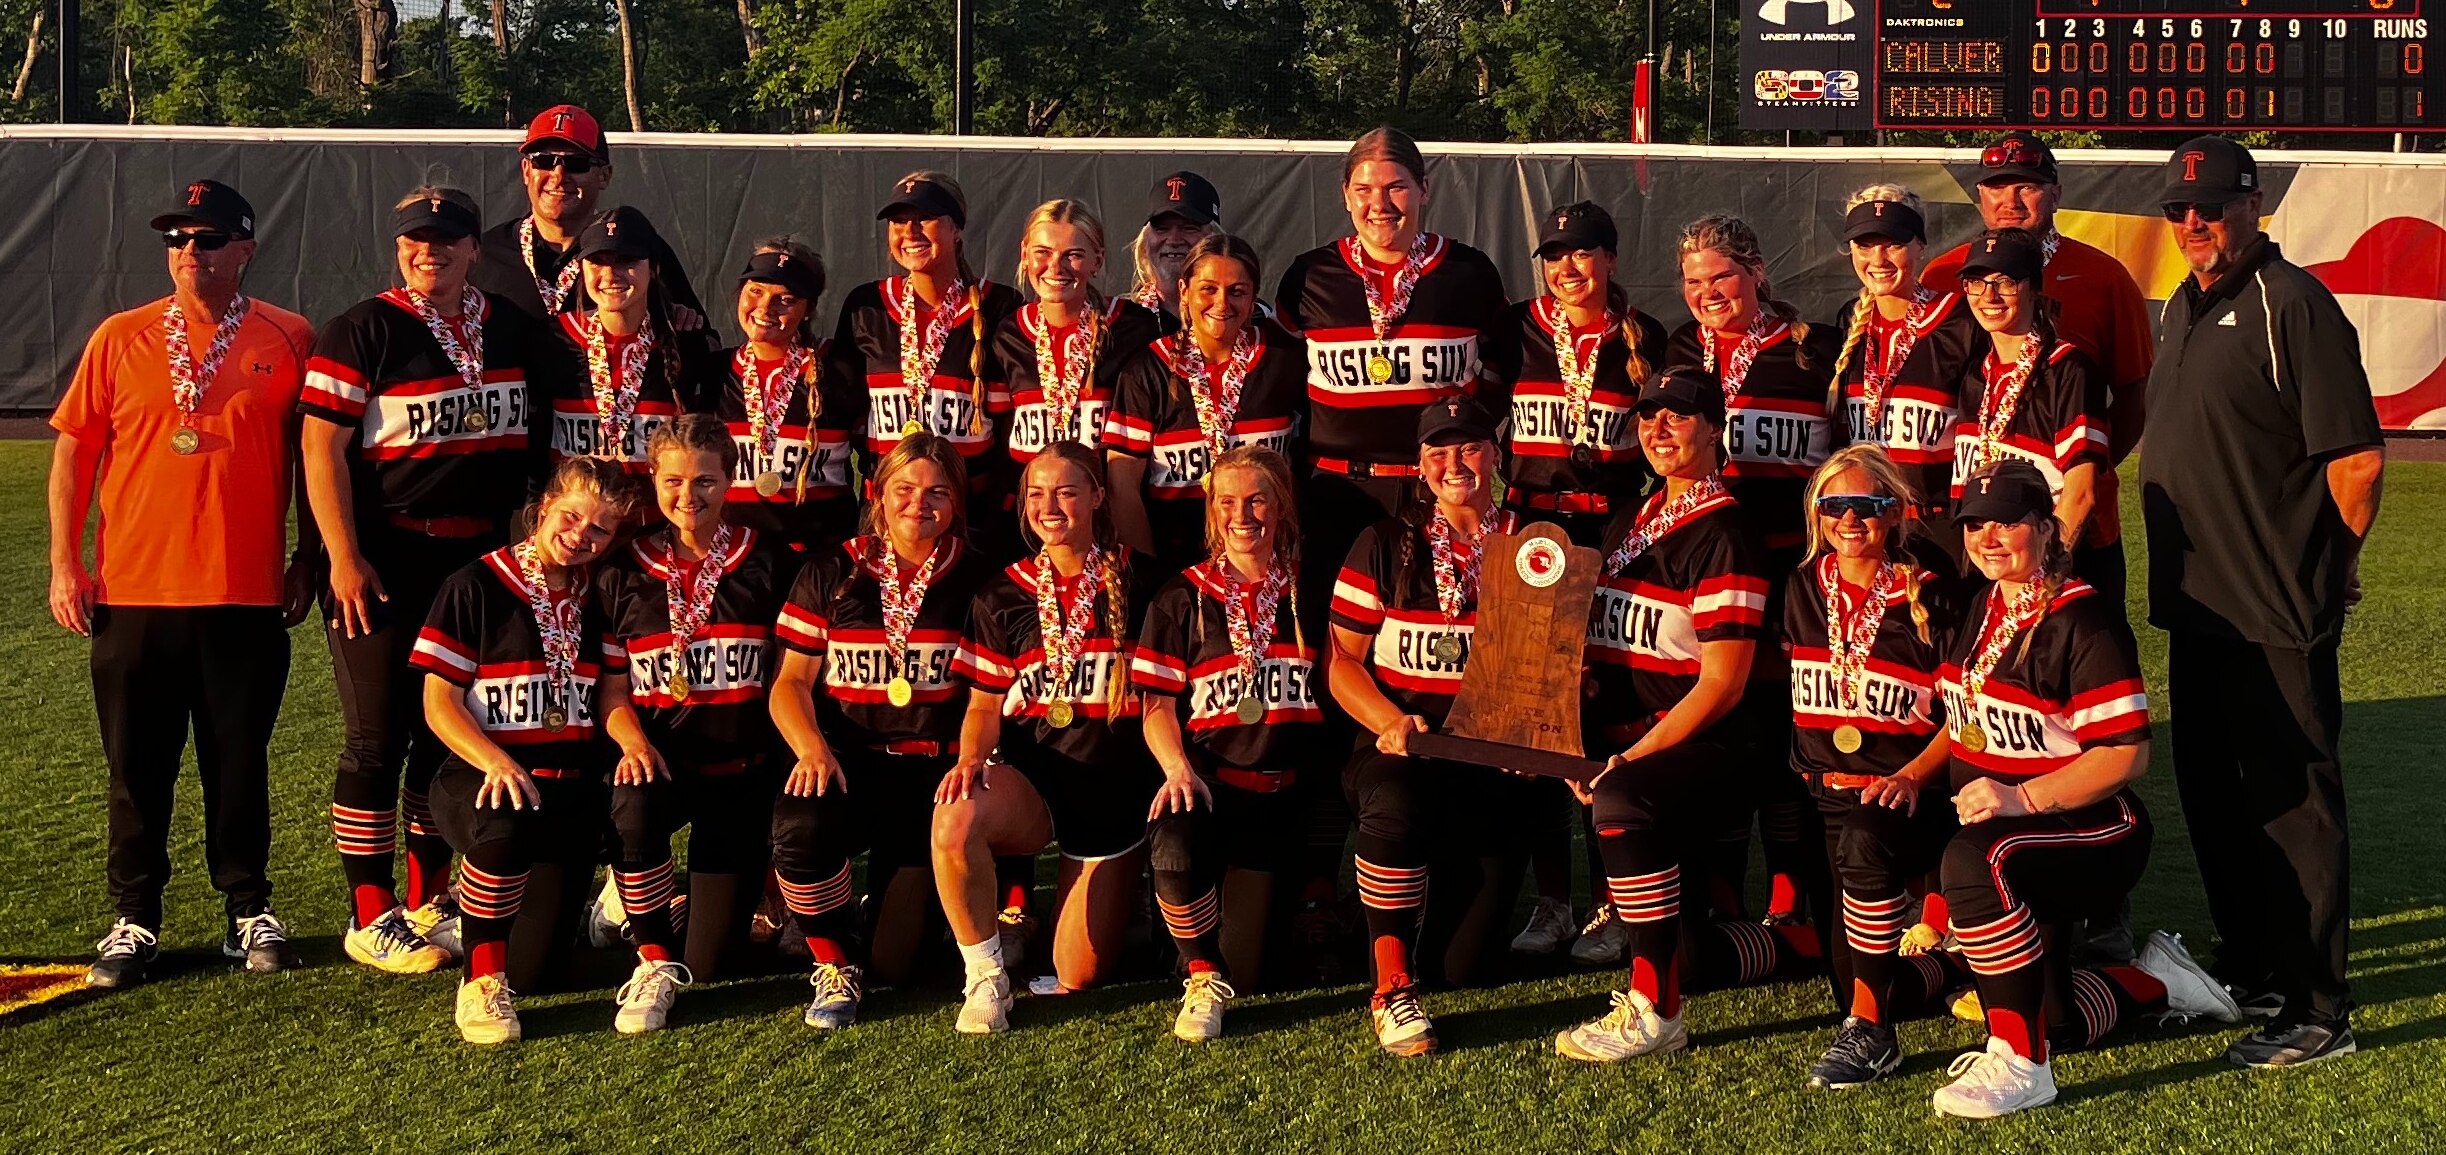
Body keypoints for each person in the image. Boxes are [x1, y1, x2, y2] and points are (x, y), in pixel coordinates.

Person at [2143, 136, 2385, 1068]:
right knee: (2212, 795)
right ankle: (2256, 967)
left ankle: (2323, 1007)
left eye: (2210, 205)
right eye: (2178, 209)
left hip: (2274, 609)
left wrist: (2331, 561)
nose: (2193, 222)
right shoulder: (2180, 305)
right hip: (2197, 605)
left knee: (2295, 808)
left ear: (2253, 205)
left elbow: (2357, 458)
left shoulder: (2295, 304)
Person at [49, 178, 316, 987]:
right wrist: (67, 561)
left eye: (205, 239)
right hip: (133, 592)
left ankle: (246, 907)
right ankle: (135, 916)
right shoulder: (120, 337)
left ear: (246, 248)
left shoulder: (291, 335)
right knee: (137, 765)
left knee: (240, 761)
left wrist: (309, 557)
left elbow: (316, 458)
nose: (189, 252)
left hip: (243, 593)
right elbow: (73, 453)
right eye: (177, 240)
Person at [1926, 459, 2237, 1117]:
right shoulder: (1982, 604)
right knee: (2059, 1018)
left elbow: (2126, 755)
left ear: (2046, 527)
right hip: (2019, 826)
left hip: (2092, 823)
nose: (1988, 536)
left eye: (2008, 520)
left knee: (1978, 859)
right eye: (1975, 522)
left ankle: (2021, 1064)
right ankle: (2154, 978)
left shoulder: (2080, 618)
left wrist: (2021, 800)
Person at [301, 186, 549, 977]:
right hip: (385, 557)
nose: (428, 253)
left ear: (477, 248)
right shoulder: (363, 329)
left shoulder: (509, 326)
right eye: (414, 240)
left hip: (476, 559)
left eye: (446, 240)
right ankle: (368, 911)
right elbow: (320, 452)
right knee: (378, 735)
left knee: (444, 732)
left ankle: (426, 898)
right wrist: (339, 553)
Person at [1554, 368, 1775, 1063]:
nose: (1658, 429)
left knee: (1620, 798)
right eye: (1648, 416)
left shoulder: (1726, 530)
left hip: (1707, 739)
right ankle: (1798, 941)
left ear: (1714, 428)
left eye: (1677, 416)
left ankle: (1656, 1010)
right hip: (1637, 737)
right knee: (1695, 949)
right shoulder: (1634, 516)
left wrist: (1633, 756)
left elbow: (1723, 685)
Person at [1477, 200, 1667, 960]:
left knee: (1604, 712)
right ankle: (1552, 897)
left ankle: (1610, 901)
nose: (1567, 268)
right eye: (1554, 255)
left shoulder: (1642, 335)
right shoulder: (1514, 327)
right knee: (1534, 717)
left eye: (1582, 252)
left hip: (1611, 534)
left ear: (1610, 259)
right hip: (1532, 537)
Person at [1326, 398, 1544, 1057]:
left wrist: (1530, 726)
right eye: (1439, 452)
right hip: (1404, 749)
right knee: (1394, 793)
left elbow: (1556, 663)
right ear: (1419, 467)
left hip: (1490, 760)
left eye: (1470, 446)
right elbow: (1340, 661)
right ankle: (1391, 984)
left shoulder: (1536, 543)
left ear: (1495, 453)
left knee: (1465, 968)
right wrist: (1390, 720)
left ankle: (1381, 912)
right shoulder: (1385, 541)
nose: (1456, 463)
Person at [769, 433, 995, 1027]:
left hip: (933, 773)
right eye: (905, 489)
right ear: (876, 493)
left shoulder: (977, 577)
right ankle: (832, 958)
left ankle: (886, 913)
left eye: (937, 493)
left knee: (898, 963)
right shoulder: (831, 570)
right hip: (852, 760)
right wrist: (812, 749)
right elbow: (790, 683)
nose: (919, 504)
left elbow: (986, 698)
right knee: (799, 822)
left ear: (957, 504)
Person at [412, 456, 636, 1044]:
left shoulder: (603, 595)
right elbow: (439, 704)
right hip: (481, 776)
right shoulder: (474, 584)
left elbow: (612, 693)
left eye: (599, 530)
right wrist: (495, 760)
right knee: (504, 811)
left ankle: (493, 921)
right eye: (570, 517)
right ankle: (480, 981)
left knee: (537, 973)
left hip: (566, 788)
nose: (579, 536)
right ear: (543, 510)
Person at [939, 444, 1159, 1033]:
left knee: (1078, 975)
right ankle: (984, 977)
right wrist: (970, 757)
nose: (1049, 506)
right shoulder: (1000, 593)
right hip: (1036, 785)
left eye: (1065, 491)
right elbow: (985, 704)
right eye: (1036, 493)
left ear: (1097, 497)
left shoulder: (1145, 581)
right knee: (955, 815)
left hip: (1114, 792)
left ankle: (1134, 880)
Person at [593, 416, 798, 1030]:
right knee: (632, 801)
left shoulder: (768, 561)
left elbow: (790, 677)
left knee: (711, 965)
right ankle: (651, 955)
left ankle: (670, 902)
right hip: (664, 764)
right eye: (674, 480)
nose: (690, 496)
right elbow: (610, 687)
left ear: (731, 479)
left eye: (706, 480)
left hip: (740, 771)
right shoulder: (621, 569)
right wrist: (631, 742)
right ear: (652, 479)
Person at [1662, 214, 1838, 931]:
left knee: (1786, 724)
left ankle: (1795, 892)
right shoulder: (1678, 349)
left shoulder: (1813, 351)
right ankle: (1723, 887)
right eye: (1694, 280)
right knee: (1722, 724)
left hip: (1793, 566)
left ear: (1757, 271)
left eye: (1722, 276)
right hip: (1709, 564)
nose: (1708, 292)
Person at [1784, 445, 1964, 1089]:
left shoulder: (1931, 595)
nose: (1851, 520)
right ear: (1818, 514)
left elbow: (1966, 717)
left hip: (1905, 797)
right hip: (1824, 796)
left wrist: (1914, 774)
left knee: (1865, 995)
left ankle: (1874, 1037)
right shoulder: (1801, 586)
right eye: (1836, 506)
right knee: (1853, 980)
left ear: (1895, 514)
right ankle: (1959, 966)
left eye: (1868, 506)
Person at [1133, 446, 1325, 1041]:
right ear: (1212, 512)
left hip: (1297, 797)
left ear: (1282, 507)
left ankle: (1309, 906)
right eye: (1227, 502)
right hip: (1217, 790)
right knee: (1173, 837)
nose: (1243, 515)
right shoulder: (1180, 596)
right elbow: (1157, 705)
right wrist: (1176, 768)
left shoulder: (1313, 589)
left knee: (1269, 973)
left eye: (1257, 500)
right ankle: (1199, 971)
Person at [1278, 127, 1508, 610]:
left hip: (1441, 491)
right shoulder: (1308, 275)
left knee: (1445, 624)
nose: (1379, 203)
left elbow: (1500, 371)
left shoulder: (1469, 272)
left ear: (1424, 189)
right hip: (1340, 493)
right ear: (1345, 196)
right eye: (1364, 190)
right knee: (1337, 637)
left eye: (1395, 187)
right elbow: (1287, 377)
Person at [1923, 131, 2152, 606]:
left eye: (2027, 186)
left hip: (2070, 519)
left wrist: (2082, 467)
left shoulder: (2104, 277)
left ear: (2056, 194)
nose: (2011, 200)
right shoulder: (1944, 275)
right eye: (1996, 187)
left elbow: (2134, 393)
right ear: (1980, 195)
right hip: (1973, 523)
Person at [830, 171, 1024, 525]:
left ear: (957, 228)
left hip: (973, 511)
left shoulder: (1000, 306)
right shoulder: (865, 304)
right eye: (899, 221)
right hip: (886, 509)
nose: (910, 231)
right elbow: (848, 407)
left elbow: (1014, 417)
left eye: (926, 218)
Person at [1106, 234, 1308, 571]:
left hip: (1270, 568)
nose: (1222, 303)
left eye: (1237, 291)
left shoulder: (1282, 359)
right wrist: (1148, 574)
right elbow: (1122, 486)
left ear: (1254, 296)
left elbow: (1302, 466)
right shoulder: (1147, 370)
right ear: (1184, 291)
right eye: (1208, 289)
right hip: (1175, 567)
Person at [988, 200, 1163, 548]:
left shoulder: (1134, 328)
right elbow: (1001, 437)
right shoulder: (1008, 333)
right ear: (1024, 254)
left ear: (1097, 260)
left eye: (1073, 254)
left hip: (1109, 523)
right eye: (1043, 252)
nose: (1056, 267)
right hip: (1032, 524)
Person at [1952, 229, 2112, 592]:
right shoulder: (1975, 374)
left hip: (2047, 579)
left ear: (2034, 287)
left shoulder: (2067, 368)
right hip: (1985, 576)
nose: (1989, 296)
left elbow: (2081, 493)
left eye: (2005, 281)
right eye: (1976, 282)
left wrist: (2043, 580)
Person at [1825, 188, 1979, 562]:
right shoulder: (1849, 320)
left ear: (1920, 246)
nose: (1877, 258)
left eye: (1893, 244)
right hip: (1862, 528)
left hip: (1939, 531)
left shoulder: (1960, 320)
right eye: (1865, 245)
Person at [469, 104, 709, 333]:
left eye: (576, 163)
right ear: (526, 171)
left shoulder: (637, 250)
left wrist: (680, 322)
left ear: (604, 176)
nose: (559, 175)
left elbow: (700, 337)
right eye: (544, 161)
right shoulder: (485, 254)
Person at [708, 238, 859, 552]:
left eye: (786, 299)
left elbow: (875, 463)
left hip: (817, 559)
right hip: (733, 561)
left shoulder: (841, 370)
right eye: (755, 291)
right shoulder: (711, 371)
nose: (765, 308)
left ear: (808, 310)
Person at [542, 206, 711, 474]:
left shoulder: (684, 340)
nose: (610, 275)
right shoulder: (552, 338)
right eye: (597, 261)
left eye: (626, 260)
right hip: (578, 512)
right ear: (581, 268)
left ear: (653, 267)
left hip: (658, 514)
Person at [1128, 171, 1223, 319]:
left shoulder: (1245, 320)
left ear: (1215, 239)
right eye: (1162, 229)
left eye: (1189, 228)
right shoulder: (1118, 324)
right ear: (1145, 241)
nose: (1173, 240)